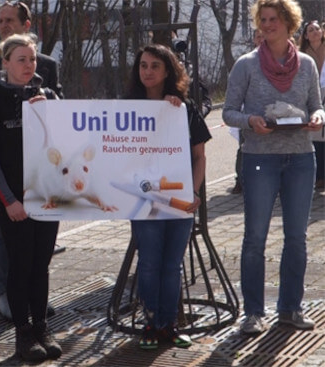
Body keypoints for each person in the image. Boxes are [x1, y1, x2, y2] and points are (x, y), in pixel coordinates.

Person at [223, 0, 324, 335]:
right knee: (255, 237)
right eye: (263, 19)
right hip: (259, 159)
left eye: (274, 19)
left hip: (300, 158)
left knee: (296, 237)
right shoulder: (246, 65)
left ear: (289, 23)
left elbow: (318, 107)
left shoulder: (307, 64)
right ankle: (252, 312)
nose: (267, 25)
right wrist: (251, 121)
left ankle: (290, 309)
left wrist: (317, 118)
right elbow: (228, 113)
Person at [0, 0, 62, 321]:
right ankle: (6, 294)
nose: (3, 25)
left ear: (27, 24)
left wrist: (48, 99)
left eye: (9, 20)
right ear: (6, 61)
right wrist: (4, 104)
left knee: (39, 246)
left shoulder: (47, 64)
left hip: (42, 170)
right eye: (0, 20)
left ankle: (35, 300)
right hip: (5, 169)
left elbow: (60, 106)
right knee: (2, 233)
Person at [124, 44, 211, 350]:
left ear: (168, 71)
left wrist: (194, 192)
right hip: (143, 200)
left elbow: (200, 157)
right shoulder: (126, 108)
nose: (147, 71)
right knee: (149, 263)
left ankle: (169, 325)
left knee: (173, 265)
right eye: (143, 65)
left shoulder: (183, 109)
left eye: (155, 66)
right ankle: (150, 323)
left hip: (179, 201)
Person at [231, 29, 265, 195]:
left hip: (270, 118)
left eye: (263, 36)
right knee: (243, 148)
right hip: (248, 116)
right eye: (258, 37)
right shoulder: (246, 62)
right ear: (254, 40)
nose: (261, 39)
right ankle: (241, 180)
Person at [299, 20, 325, 190]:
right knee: (316, 135)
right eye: (311, 30)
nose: (315, 32)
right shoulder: (302, 54)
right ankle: (320, 176)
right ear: (306, 36)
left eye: (317, 29)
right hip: (312, 95)